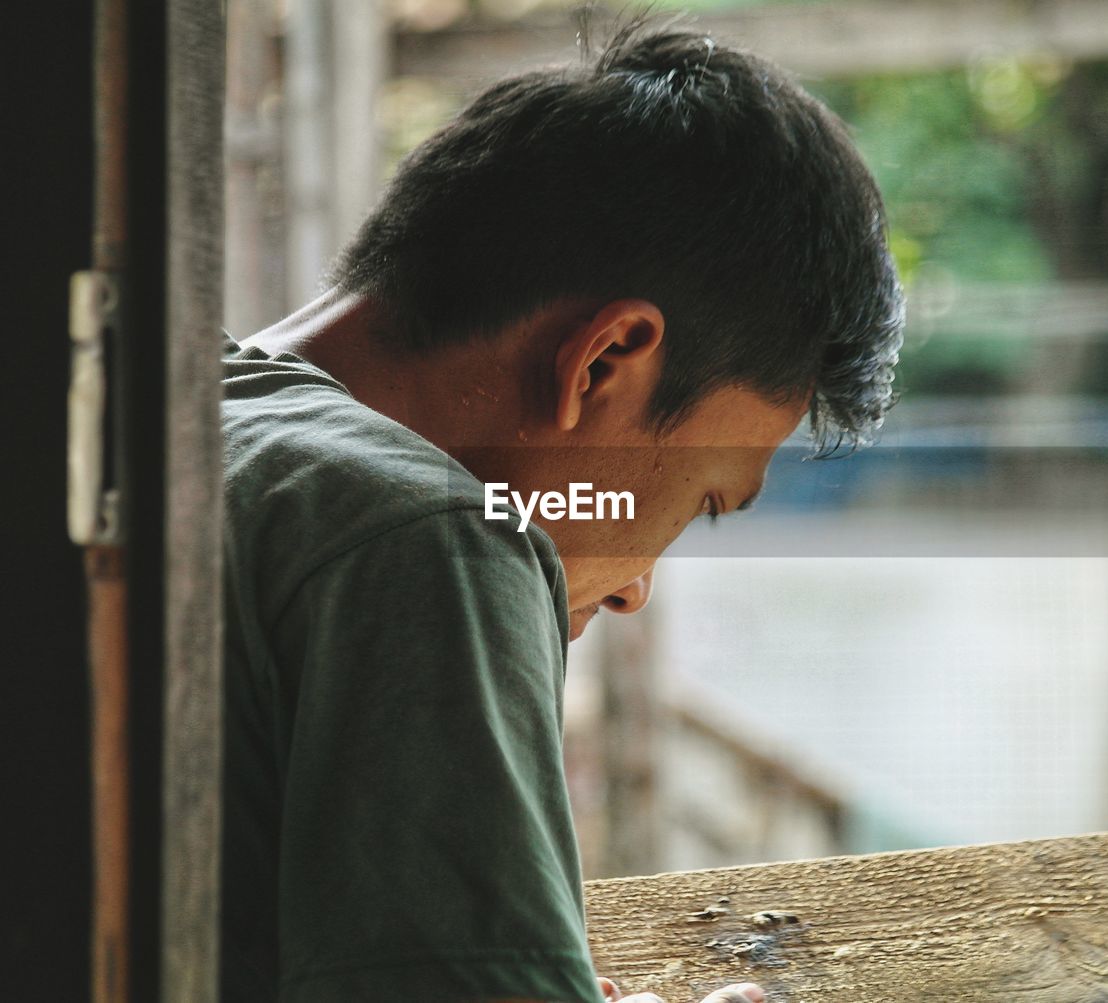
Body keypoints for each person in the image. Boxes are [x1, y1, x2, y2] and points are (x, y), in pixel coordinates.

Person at [220, 20, 903, 1003]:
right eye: (702, 497)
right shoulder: (425, 540)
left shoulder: (169, 427)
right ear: (603, 361)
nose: (633, 588)